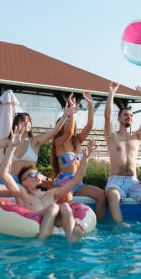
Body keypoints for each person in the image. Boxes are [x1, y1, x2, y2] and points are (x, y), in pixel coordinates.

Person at [0, 126, 98, 242]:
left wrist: (85, 157)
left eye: (37, 174)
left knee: (65, 206)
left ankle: (72, 238)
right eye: (31, 175)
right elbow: (3, 173)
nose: (36, 176)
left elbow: (76, 180)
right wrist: (12, 147)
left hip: (54, 221)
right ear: (23, 182)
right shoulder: (22, 193)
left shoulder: (51, 194)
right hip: (35, 222)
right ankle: (41, 241)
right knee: (54, 206)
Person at [0, 105, 77, 198]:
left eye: (28, 121)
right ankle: (18, 192)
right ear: (15, 124)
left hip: (29, 180)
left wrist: (64, 116)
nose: (26, 123)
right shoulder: (10, 141)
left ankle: (23, 192)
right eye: (23, 120)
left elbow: (53, 132)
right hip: (11, 178)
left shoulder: (35, 141)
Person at [104, 82, 141, 224]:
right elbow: (107, 116)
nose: (128, 117)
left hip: (133, 181)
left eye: (130, 115)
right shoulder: (112, 136)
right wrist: (111, 92)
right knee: (112, 194)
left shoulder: (137, 136)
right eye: (125, 115)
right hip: (116, 181)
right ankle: (120, 226)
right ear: (119, 119)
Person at [51, 91, 107, 220]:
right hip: (63, 184)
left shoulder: (76, 142)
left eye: (70, 121)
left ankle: (99, 226)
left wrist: (91, 105)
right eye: (66, 122)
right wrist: (71, 111)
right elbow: (69, 131)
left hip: (78, 183)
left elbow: (89, 126)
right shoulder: (58, 143)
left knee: (102, 195)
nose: (69, 124)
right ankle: (66, 222)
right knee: (68, 198)